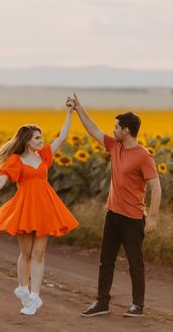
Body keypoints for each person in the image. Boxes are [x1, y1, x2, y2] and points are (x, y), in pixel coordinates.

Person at [0, 106, 78, 315]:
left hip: (45, 208)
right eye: (37, 138)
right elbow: (2, 180)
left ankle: (35, 297)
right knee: (27, 253)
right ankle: (23, 288)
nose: (41, 141)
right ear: (28, 141)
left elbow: (63, 138)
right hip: (25, 208)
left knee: (39, 253)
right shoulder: (16, 160)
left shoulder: (45, 156)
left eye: (41, 138)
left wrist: (69, 113)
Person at [66, 93, 161, 317]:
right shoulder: (114, 147)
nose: (114, 130)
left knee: (135, 264)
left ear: (126, 130)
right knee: (105, 261)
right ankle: (102, 303)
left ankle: (138, 305)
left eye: (117, 127)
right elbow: (93, 130)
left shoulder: (143, 156)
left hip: (133, 218)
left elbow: (156, 187)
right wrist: (79, 108)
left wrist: (154, 217)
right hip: (113, 215)